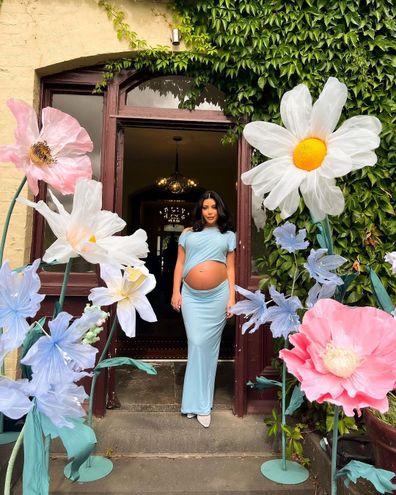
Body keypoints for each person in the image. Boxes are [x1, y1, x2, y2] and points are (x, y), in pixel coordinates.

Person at [171, 191, 236, 428]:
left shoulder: (228, 235)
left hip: (218, 296)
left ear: (220, 210)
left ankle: (200, 405)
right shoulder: (188, 233)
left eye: (213, 207)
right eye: (205, 207)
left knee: (208, 349)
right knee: (196, 344)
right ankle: (194, 403)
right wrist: (175, 292)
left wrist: (231, 298)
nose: (209, 211)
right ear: (200, 210)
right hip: (191, 296)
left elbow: (230, 269)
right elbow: (179, 263)